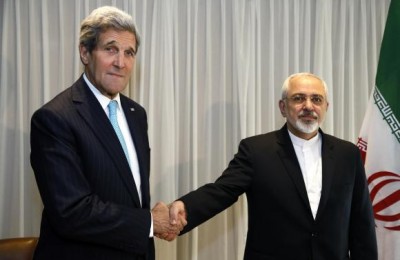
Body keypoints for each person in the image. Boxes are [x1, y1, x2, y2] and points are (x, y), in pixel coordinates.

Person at [168, 72, 378, 259]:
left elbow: (362, 222)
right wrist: (185, 208)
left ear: (325, 107)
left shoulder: (348, 154)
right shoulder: (256, 150)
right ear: (283, 107)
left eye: (316, 99)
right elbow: (222, 191)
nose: (308, 106)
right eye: (298, 98)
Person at [30, 6, 184, 260]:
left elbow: (126, 189)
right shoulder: (54, 118)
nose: (120, 62)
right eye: (110, 49)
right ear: (85, 53)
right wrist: (148, 222)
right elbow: (72, 212)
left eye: (129, 52)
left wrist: (153, 215)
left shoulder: (137, 114)